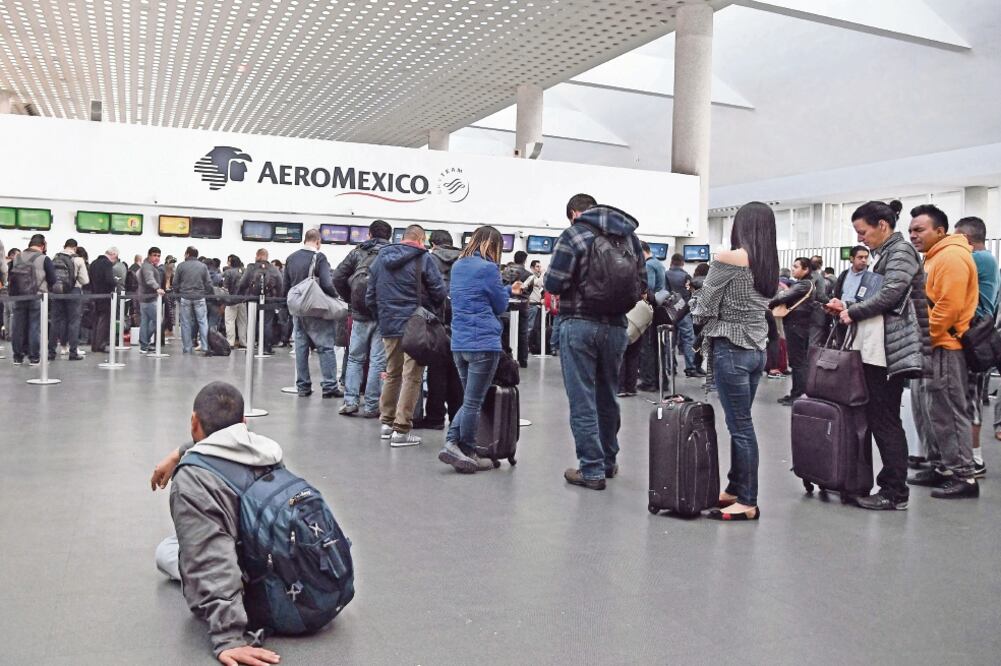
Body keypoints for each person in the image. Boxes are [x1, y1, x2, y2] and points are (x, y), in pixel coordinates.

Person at [149, 382, 284, 666]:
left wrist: (229, 637)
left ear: (194, 422)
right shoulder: (265, 450)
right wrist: (179, 452)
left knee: (167, 551)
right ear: (244, 424)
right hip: (280, 559)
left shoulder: (192, 480)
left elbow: (212, 558)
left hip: (247, 572)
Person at [825, 201, 929, 510]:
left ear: (882, 225)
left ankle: (895, 491)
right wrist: (847, 308)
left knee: (885, 420)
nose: (860, 239)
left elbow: (889, 295)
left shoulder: (900, 253)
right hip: (877, 349)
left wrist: (851, 312)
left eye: (863, 232)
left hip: (888, 352)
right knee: (878, 418)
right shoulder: (885, 255)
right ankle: (885, 485)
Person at [545, 194, 645, 491]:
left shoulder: (574, 234)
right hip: (616, 327)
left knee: (582, 398)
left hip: (578, 325)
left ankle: (590, 469)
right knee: (607, 394)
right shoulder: (630, 237)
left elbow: (553, 283)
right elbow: (643, 285)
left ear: (575, 213)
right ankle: (608, 461)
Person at [691, 202, 779, 521]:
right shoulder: (769, 264)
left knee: (740, 426)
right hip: (757, 349)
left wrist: (691, 304)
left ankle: (749, 500)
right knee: (741, 421)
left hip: (732, 347)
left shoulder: (728, 259)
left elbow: (704, 308)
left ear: (740, 226)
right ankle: (734, 487)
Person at [906, 205, 979, 499]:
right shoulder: (933, 258)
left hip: (944, 346)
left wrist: (925, 340)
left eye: (919, 230)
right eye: (911, 230)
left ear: (939, 231)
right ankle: (941, 466)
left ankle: (965, 476)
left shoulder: (951, 257)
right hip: (929, 345)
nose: (913, 235)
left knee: (949, 411)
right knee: (929, 410)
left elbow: (948, 308)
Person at [438, 226, 521, 473]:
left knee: (469, 399)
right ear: (493, 246)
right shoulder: (489, 269)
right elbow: (499, 305)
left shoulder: (459, 266)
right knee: (474, 401)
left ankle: (453, 444)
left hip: (459, 341)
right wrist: (509, 290)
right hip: (483, 342)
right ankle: (467, 449)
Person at [365, 224, 447, 447]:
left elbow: (369, 295)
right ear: (421, 239)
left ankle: (387, 423)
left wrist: (382, 316)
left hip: (389, 323)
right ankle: (401, 431)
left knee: (392, 373)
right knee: (412, 376)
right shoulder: (424, 259)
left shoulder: (381, 259)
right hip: (416, 325)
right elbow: (439, 291)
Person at [332, 219, 392, 417]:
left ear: (369, 235)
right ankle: (372, 406)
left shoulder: (358, 252)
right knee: (377, 361)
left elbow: (338, 277)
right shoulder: (392, 253)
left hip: (359, 313)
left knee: (355, 358)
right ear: (389, 236)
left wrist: (351, 299)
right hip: (383, 313)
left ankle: (350, 402)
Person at [954, 217, 999, 478]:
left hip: (973, 337)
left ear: (967, 239)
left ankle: (975, 457)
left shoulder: (979, 259)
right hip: (980, 337)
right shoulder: (991, 262)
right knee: (970, 398)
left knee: (969, 400)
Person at [285, 229, 343, 398]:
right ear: (318, 241)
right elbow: (326, 283)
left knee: (301, 348)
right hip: (316, 309)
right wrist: (336, 296)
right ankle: (330, 386)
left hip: (297, 309)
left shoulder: (291, 258)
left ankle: (303, 386)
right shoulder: (320, 257)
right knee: (325, 347)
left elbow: (285, 285)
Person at [416, 228, 463, 429]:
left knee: (436, 370)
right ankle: (457, 417)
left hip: (436, 320)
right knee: (457, 370)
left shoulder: (429, 259)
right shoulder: (464, 259)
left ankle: (435, 418)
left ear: (433, 244)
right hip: (461, 322)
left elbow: (423, 292)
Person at [769, 257, 816, 406]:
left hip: (797, 326)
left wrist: (771, 302)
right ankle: (796, 392)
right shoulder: (803, 284)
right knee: (797, 361)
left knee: (798, 362)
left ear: (806, 269)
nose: (793, 269)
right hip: (797, 325)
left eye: (796, 267)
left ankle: (798, 394)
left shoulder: (804, 284)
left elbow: (784, 296)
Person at [10, 234, 56, 366]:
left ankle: (17, 357)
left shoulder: (17, 257)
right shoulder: (44, 258)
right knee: (35, 327)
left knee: (18, 327)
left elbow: (11, 276)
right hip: (38, 296)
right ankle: (34, 357)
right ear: (42, 246)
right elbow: (52, 279)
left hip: (19, 296)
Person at [49, 238, 89, 361]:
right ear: (75, 248)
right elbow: (85, 280)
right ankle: (73, 352)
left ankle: (51, 352)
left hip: (57, 292)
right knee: (74, 322)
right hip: (73, 291)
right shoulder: (78, 259)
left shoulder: (55, 258)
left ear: (64, 246)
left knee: (56, 321)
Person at [238, 249, 283, 355]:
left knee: (252, 323)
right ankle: (266, 348)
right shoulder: (274, 269)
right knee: (267, 323)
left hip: (252, 300)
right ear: (267, 256)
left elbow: (242, 283)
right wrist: (277, 298)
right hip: (269, 300)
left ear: (257, 256)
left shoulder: (251, 268)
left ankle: (251, 347)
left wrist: (242, 296)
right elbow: (280, 284)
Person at [666, 252, 703, 377]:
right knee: (688, 340)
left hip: (669, 313)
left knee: (670, 341)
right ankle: (690, 368)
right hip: (684, 312)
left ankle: (671, 367)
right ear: (682, 263)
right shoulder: (686, 277)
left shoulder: (665, 274)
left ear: (671, 262)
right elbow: (690, 295)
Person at [637, 241, 667, 391]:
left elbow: (647, 289)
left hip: (651, 310)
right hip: (661, 310)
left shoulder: (648, 266)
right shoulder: (659, 264)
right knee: (658, 347)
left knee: (647, 347)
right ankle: (662, 381)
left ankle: (649, 381)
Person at [174, 246, 214, 355]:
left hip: (185, 297)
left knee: (185, 323)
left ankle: (187, 348)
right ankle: (205, 346)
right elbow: (208, 283)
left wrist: (179, 295)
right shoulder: (203, 266)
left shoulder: (181, 266)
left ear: (187, 254)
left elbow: (175, 283)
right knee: (202, 321)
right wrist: (208, 294)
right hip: (200, 297)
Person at [505, 250, 533, 368]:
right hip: (522, 304)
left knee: (506, 331)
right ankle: (523, 360)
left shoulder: (505, 271)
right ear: (525, 260)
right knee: (523, 332)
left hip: (506, 304)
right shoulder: (528, 275)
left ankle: (507, 357)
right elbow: (529, 290)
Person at [88, 247, 119, 353]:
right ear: (113, 254)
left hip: (94, 295)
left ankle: (94, 345)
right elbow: (109, 279)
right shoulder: (107, 264)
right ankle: (101, 345)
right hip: (105, 296)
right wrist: (116, 282)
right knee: (104, 321)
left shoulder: (93, 263)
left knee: (96, 321)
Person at [137, 247, 165, 354]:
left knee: (145, 321)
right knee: (158, 320)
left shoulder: (146, 266)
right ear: (149, 255)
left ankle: (144, 345)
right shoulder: (147, 267)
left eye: (158, 255)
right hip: (149, 298)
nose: (157, 258)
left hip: (144, 297)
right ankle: (144, 342)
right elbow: (149, 279)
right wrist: (157, 288)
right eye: (154, 255)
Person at [223, 255, 247, 349]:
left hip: (231, 301)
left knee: (230, 321)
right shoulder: (244, 271)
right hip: (243, 300)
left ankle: (230, 342)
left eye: (228, 261)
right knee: (242, 322)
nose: (227, 263)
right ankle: (243, 342)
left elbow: (225, 287)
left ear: (231, 262)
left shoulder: (228, 272)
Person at [808, 255, 830, 346]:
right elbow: (821, 296)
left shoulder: (805, 276)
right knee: (814, 341)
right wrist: (830, 301)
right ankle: (811, 360)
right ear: (821, 265)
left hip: (803, 313)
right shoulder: (819, 277)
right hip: (816, 312)